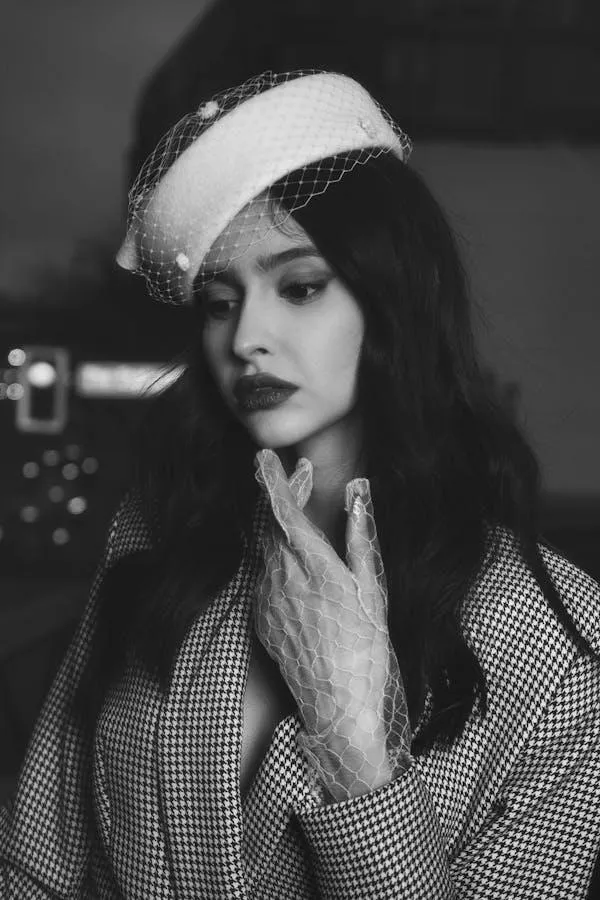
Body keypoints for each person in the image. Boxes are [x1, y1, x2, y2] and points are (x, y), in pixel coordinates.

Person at [1, 70, 599, 899]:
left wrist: (356, 747)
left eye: (301, 286)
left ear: (392, 301)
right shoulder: (156, 534)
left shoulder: (554, 649)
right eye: (219, 301)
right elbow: (35, 861)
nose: (246, 336)